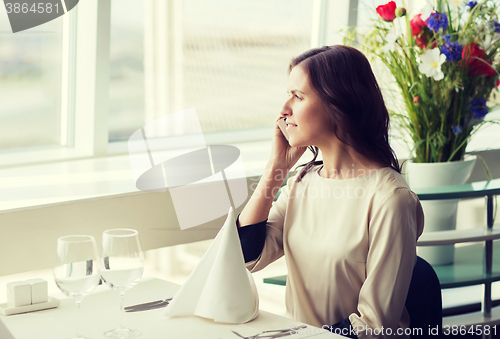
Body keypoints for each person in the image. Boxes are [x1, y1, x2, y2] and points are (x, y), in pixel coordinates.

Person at [236, 45, 424, 339]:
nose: (284, 110)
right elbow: (248, 258)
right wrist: (276, 168)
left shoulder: (391, 199)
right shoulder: (303, 181)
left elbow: (373, 327)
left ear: (338, 104)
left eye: (298, 96)